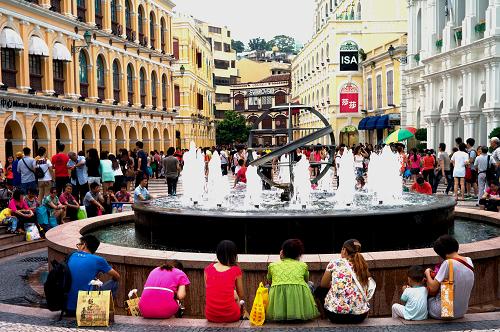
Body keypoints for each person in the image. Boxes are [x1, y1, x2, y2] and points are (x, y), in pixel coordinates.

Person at [318, 239, 374, 324]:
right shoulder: (362, 265)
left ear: (345, 250)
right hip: (360, 316)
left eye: (342, 249)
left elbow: (323, 284)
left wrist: (334, 284)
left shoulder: (335, 263)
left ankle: (323, 316)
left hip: (335, 316)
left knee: (319, 290)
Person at [66, 235, 120, 316]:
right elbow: (117, 276)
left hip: (66, 308)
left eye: (79, 244)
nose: (78, 246)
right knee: (115, 282)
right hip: (85, 309)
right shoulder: (98, 260)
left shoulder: (72, 255)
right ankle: (105, 310)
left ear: (84, 245)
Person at [266, 239, 319, 321]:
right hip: (299, 295)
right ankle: (301, 311)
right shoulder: (303, 265)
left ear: (282, 252)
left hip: (278, 295)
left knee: (267, 287)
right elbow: (306, 280)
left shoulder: (272, 265)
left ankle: (279, 312)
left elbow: (270, 282)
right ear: (299, 255)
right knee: (310, 284)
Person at [426, 235, 474, 320]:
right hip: (461, 312)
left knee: (421, 296)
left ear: (442, 253)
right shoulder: (469, 260)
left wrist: (427, 273)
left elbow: (433, 288)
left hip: (445, 312)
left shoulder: (448, 263)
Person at [205, 240, 245, 323]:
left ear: (217, 253)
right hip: (231, 316)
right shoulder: (236, 270)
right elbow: (241, 294)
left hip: (210, 315)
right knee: (236, 296)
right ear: (234, 255)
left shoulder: (208, 269)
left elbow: (209, 289)